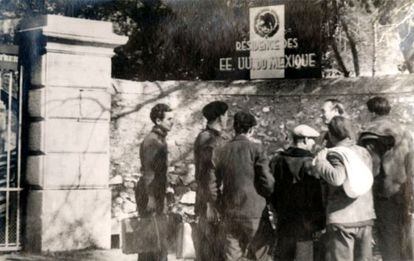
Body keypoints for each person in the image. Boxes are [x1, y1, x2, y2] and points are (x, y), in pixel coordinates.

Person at [359, 96, 414, 261]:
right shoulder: (404, 132)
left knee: (388, 237)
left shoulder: (371, 133)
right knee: (404, 235)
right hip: (403, 189)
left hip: (383, 192)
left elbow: (371, 167)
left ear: (372, 112)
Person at [313, 116, 375, 261]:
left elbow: (336, 178)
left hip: (342, 217)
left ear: (332, 134)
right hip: (365, 216)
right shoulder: (363, 152)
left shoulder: (335, 153)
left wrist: (321, 161)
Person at [215, 111, 275, 260]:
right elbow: (267, 182)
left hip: (230, 211)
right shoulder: (256, 149)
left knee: (233, 255)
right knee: (261, 255)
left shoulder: (223, 150)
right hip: (254, 211)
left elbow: (214, 182)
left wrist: (220, 204)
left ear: (234, 128)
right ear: (251, 129)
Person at [269, 125, 325, 261]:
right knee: (303, 255)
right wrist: (320, 223)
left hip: (284, 218)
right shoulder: (310, 163)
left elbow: (271, 188)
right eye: (312, 140)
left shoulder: (277, 160)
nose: (313, 144)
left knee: (283, 255)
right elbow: (317, 195)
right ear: (305, 140)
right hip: (305, 222)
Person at [135, 103, 174, 261]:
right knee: (154, 241)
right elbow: (148, 171)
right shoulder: (152, 141)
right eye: (169, 119)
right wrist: (151, 197)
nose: (172, 122)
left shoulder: (159, 139)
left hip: (156, 192)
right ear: (158, 121)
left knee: (154, 240)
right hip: (150, 193)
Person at [193, 101, 229, 261]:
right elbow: (208, 173)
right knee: (210, 249)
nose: (228, 118)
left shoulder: (212, 137)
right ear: (220, 117)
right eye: (226, 115)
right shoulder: (208, 139)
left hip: (213, 199)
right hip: (210, 201)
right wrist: (210, 204)